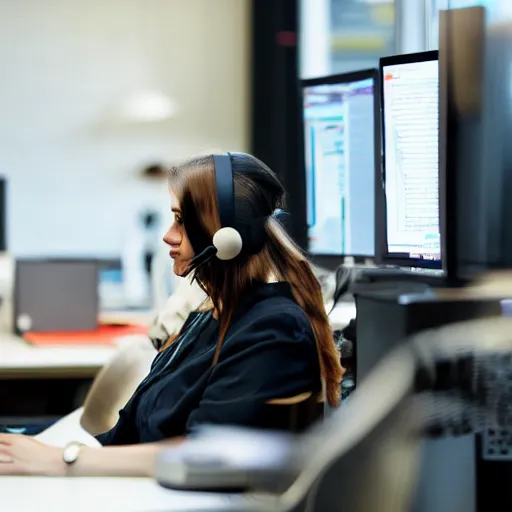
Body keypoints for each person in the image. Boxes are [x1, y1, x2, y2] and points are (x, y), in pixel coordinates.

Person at [0, 152, 343, 477]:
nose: (168, 235)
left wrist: (63, 459)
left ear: (226, 238)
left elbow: (205, 453)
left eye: (181, 220)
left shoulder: (273, 330)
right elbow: (130, 433)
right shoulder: (211, 314)